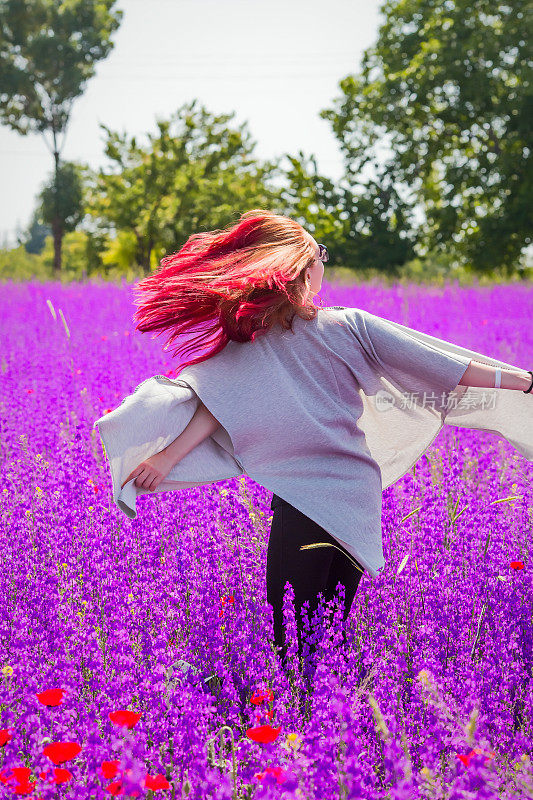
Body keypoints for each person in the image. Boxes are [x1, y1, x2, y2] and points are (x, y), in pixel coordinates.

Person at [96, 209, 533, 680]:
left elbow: (213, 405)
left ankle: (304, 718)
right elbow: (444, 367)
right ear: (304, 269)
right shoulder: (349, 326)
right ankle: (333, 713)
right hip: (354, 494)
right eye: (320, 255)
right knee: (332, 625)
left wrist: (165, 458)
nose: (324, 263)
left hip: (303, 496)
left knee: (293, 627)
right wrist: (522, 381)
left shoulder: (251, 342)